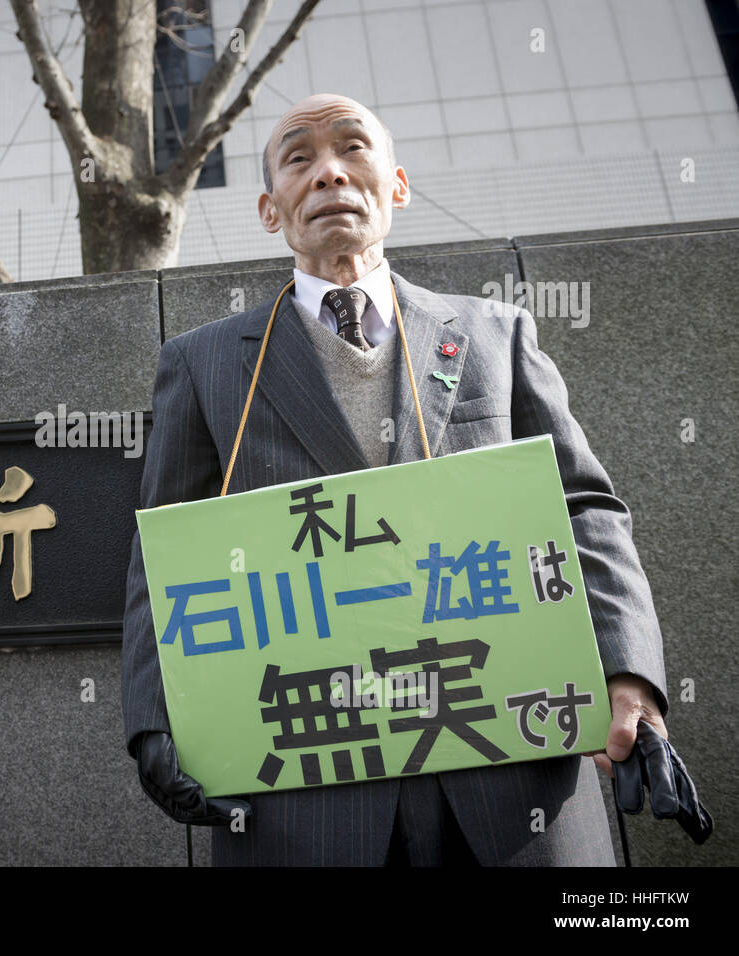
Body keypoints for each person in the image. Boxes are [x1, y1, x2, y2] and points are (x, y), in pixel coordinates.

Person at [121, 93, 672, 865]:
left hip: (509, 772)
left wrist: (630, 679)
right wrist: (154, 720)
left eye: (352, 148)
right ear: (269, 208)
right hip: (308, 786)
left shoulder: (492, 332)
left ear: (398, 185)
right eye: (298, 158)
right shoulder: (205, 363)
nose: (328, 174)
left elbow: (584, 508)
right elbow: (164, 554)